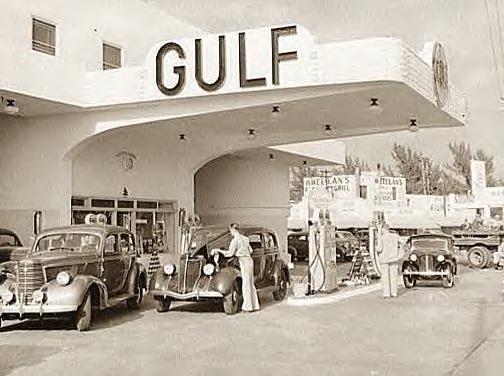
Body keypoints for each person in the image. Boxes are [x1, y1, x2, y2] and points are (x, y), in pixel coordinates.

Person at [212, 223, 260, 312]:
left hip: (243, 261)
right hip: (249, 260)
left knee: (245, 284)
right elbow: (251, 250)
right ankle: (254, 305)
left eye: (230, 231)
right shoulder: (245, 239)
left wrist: (219, 251)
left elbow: (230, 253)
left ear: (233, 230)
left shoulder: (235, 240)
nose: (231, 233)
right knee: (250, 283)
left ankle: (247, 307)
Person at [377, 223, 403, 298]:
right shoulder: (395, 236)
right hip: (394, 258)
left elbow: (379, 248)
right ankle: (394, 293)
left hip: (384, 259)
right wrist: (399, 252)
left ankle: (386, 293)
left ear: (383, 229)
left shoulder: (381, 237)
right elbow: (403, 243)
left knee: (385, 277)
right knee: (394, 276)